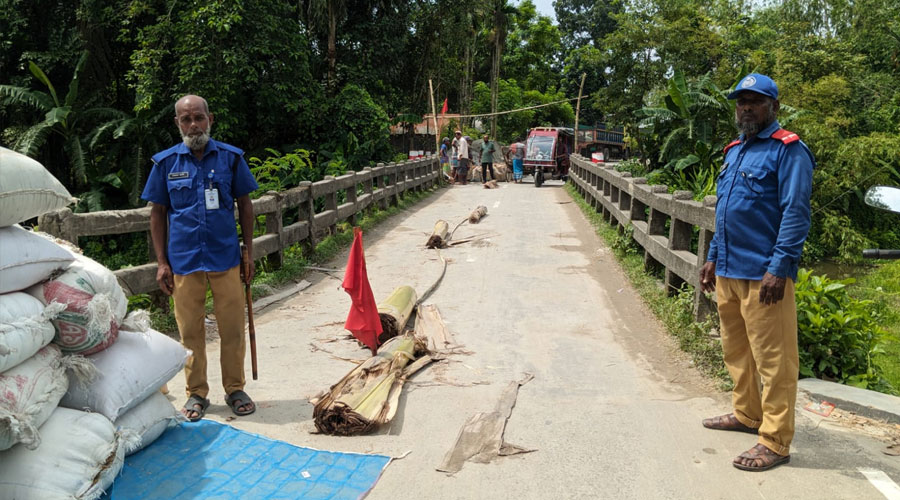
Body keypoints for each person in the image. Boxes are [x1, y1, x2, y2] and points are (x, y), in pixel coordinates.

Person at [698, 74, 814, 472]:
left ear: (773, 107)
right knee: (736, 351)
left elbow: (796, 214)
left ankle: (776, 441)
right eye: (741, 101)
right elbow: (725, 210)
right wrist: (713, 256)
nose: (746, 107)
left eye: (755, 101)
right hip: (729, 270)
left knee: (775, 360)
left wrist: (779, 267)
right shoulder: (734, 150)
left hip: (764, 275)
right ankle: (747, 414)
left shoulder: (789, 151)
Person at [142, 94, 259, 422]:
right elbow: (157, 214)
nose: (193, 125)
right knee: (190, 330)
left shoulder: (231, 159)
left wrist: (248, 251)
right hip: (184, 261)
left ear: (210, 119)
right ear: (178, 124)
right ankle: (197, 393)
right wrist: (162, 262)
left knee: (232, 328)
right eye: (186, 119)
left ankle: (235, 388)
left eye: (199, 118)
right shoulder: (166, 164)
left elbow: (246, 205)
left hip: (226, 257)